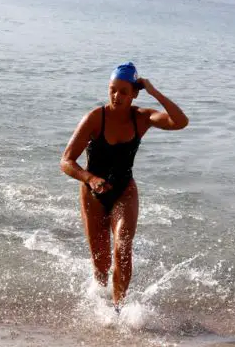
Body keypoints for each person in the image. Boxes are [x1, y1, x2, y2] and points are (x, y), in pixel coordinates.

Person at [60, 62, 189, 312]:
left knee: (123, 247)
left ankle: (119, 309)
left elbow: (181, 121)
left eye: (123, 92)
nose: (116, 96)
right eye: (112, 90)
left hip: (124, 191)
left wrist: (154, 91)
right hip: (93, 194)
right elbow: (66, 161)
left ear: (134, 94)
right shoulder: (96, 118)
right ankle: (100, 304)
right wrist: (90, 179)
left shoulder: (142, 118)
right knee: (101, 262)